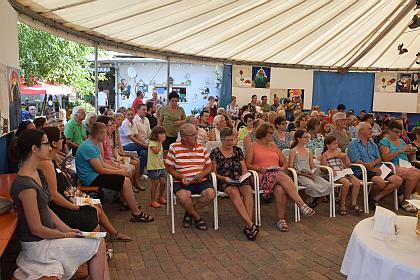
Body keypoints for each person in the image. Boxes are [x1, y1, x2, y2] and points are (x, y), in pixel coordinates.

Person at [10, 129, 109, 279]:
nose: (50, 148)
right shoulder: (25, 185)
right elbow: (36, 229)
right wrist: (64, 234)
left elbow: (45, 209)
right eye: (45, 144)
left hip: (47, 238)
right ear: (34, 149)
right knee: (98, 244)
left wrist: (68, 229)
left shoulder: (34, 174)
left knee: (98, 241)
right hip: (39, 246)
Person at [40, 126, 131, 241]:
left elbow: (63, 186)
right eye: (61, 137)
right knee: (95, 210)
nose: (64, 140)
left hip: (69, 193)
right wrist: (74, 206)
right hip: (66, 199)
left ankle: (113, 234)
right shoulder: (46, 163)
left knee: (97, 204)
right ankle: (108, 237)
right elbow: (54, 195)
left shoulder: (52, 159)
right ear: (53, 143)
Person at [76, 122, 154, 223]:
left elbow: (102, 163)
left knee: (124, 177)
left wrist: (118, 170)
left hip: (94, 175)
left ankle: (127, 203)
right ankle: (136, 213)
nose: (106, 135)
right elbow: (100, 169)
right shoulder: (88, 147)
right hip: (89, 178)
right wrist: (119, 172)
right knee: (125, 181)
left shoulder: (93, 144)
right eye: (104, 133)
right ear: (99, 135)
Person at [246, 124, 315, 231]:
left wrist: (282, 168)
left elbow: (284, 162)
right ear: (263, 134)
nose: (273, 134)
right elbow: (248, 164)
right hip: (260, 176)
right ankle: (302, 204)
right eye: (270, 133)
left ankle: (281, 220)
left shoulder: (273, 146)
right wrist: (260, 169)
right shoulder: (252, 145)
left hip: (276, 175)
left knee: (280, 189)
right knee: (281, 176)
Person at [165, 123, 216, 230]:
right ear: (183, 137)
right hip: (181, 182)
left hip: (200, 180)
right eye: (193, 135)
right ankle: (197, 217)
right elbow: (169, 168)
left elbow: (209, 166)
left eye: (196, 133)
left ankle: (189, 213)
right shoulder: (174, 147)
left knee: (211, 194)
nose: (196, 136)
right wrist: (180, 177)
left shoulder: (202, 147)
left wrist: (202, 174)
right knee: (183, 196)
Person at [210, 127, 258, 240]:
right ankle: (250, 225)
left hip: (239, 179)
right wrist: (225, 178)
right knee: (233, 192)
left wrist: (244, 176)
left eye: (232, 140)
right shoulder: (215, 153)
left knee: (247, 190)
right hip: (224, 180)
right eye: (227, 140)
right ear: (221, 140)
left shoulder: (238, 150)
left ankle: (248, 224)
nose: (230, 142)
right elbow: (213, 173)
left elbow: (244, 168)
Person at [347, 122, 403, 209]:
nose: (371, 131)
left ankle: (375, 198)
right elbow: (356, 161)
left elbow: (379, 158)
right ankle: (373, 197)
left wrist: (373, 164)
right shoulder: (353, 144)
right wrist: (369, 166)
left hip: (376, 167)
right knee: (380, 182)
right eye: (369, 129)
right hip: (362, 170)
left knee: (398, 180)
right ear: (361, 131)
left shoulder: (372, 144)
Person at [379, 120, 419, 212]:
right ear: (389, 130)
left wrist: (411, 151)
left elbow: (406, 153)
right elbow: (386, 158)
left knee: (418, 173)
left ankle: (413, 198)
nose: (398, 134)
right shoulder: (385, 142)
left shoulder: (401, 141)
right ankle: (406, 201)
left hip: (405, 165)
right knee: (414, 174)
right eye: (396, 132)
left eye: (400, 132)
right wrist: (401, 150)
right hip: (392, 166)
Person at [289, 130, 331, 208]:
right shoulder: (293, 151)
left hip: (309, 174)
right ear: (298, 139)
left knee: (328, 185)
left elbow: (312, 165)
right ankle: (306, 204)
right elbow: (291, 167)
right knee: (312, 186)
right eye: (305, 137)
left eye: (308, 137)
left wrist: (312, 172)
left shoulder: (309, 151)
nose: (307, 139)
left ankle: (314, 203)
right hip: (299, 175)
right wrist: (302, 173)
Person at [321, 136, 362, 215]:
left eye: (336, 143)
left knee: (357, 182)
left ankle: (353, 203)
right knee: (345, 182)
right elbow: (323, 168)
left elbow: (348, 164)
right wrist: (330, 169)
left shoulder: (338, 153)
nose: (336, 145)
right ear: (327, 145)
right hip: (334, 173)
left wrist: (345, 157)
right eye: (334, 143)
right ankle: (342, 203)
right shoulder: (325, 155)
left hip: (342, 171)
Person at [119, 108, 148, 176]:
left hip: (131, 144)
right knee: (145, 148)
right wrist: (144, 145)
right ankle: (149, 168)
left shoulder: (133, 122)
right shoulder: (125, 123)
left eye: (132, 114)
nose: (130, 116)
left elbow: (137, 135)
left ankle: (140, 173)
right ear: (125, 115)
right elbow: (131, 138)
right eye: (128, 114)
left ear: (134, 114)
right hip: (124, 145)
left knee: (144, 153)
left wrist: (145, 143)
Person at [147, 126, 167, 208]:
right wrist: (160, 142)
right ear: (156, 135)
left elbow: (159, 154)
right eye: (161, 134)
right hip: (153, 167)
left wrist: (164, 160)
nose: (163, 135)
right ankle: (152, 201)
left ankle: (160, 197)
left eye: (164, 134)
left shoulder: (159, 143)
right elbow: (156, 151)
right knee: (154, 184)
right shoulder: (152, 142)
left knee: (163, 182)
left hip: (160, 166)